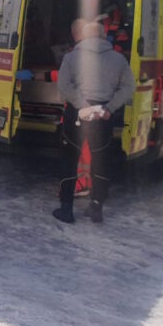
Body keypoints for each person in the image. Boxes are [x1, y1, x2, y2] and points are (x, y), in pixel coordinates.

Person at [53, 21, 135, 224]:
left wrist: (82, 105)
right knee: (101, 160)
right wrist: (110, 107)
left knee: (70, 159)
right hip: (103, 115)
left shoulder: (71, 57)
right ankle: (97, 206)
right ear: (103, 35)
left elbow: (63, 85)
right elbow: (128, 87)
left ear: (83, 36)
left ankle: (66, 208)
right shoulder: (118, 59)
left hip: (77, 115)